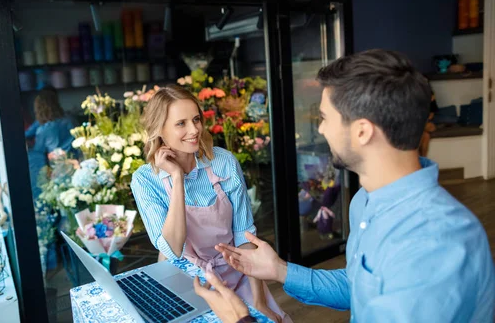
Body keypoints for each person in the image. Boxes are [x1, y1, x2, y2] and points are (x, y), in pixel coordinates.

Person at [194, 49, 495, 322]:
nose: (321, 128)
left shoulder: (435, 241)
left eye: (325, 117)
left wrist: (240, 320)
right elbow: (359, 286)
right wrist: (278, 270)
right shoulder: (365, 201)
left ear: (363, 131)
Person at [131, 85, 291, 322]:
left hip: (236, 271)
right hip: (184, 281)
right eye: (181, 123)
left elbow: (244, 236)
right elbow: (173, 249)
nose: (194, 129)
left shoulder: (223, 162)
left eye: (196, 119)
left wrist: (258, 301)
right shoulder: (145, 180)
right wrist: (177, 178)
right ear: (159, 130)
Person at [26, 87, 75, 198]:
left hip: (56, 169)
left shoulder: (44, 129)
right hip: (73, 164)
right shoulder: (69, 120)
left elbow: (39, 152)